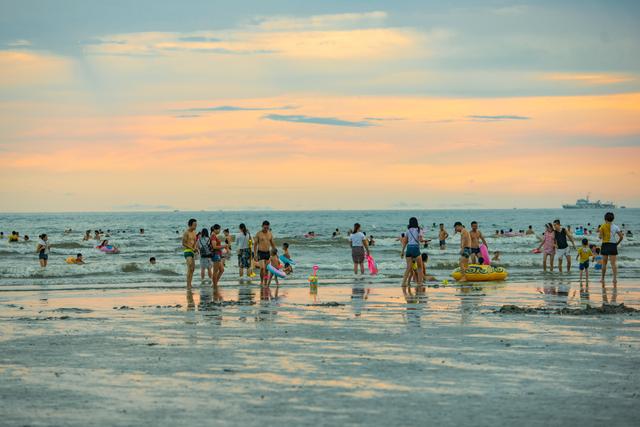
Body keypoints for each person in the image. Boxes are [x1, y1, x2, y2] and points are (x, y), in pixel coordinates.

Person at [599, 212, 624, 284]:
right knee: (613, 264)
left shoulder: (602, 226)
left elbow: (600, 237)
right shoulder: (616, 227)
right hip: (613, 245)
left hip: (605, 245)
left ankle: (602, 279)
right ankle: (614, 279)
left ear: (605, 218)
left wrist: (601, 234)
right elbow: (621, 237)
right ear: (613, 219)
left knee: (604, 263)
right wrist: (617, 243)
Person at [401, 217, 425, 285]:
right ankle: (420, 283)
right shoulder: (419, 230)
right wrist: (424, 241)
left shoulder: (408, 231)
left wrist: (402, 251)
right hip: (415, 248)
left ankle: (403, 283)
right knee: (420, 267)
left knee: (408, 268)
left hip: (409, 249)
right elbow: (420, 240)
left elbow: (405, 242)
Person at [253, 220, 276, 286]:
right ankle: (261, 281)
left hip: (268, 253)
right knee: (262, 268)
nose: (266, 229)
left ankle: (266, 282)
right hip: (260, 252)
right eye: (265, 228)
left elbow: (272, 244)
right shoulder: (258, 234)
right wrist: (255, 254)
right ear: (262, 226)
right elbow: (255, 245)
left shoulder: (270, 234)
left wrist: (275, 253)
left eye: (267, 228)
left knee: (267, 269)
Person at [182, 218, 198, 289]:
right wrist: (191, 248)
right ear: (190, 225)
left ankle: (190, 284)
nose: (195, 226)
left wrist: (195, 248)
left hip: (192, 251)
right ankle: (188, 285)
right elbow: (183, 243)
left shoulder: (194, 233)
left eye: (196, 225)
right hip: (187, 251)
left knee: (193, 269)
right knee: (189, 267)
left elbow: (195, 242)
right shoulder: (186, 232)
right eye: (194, 225)